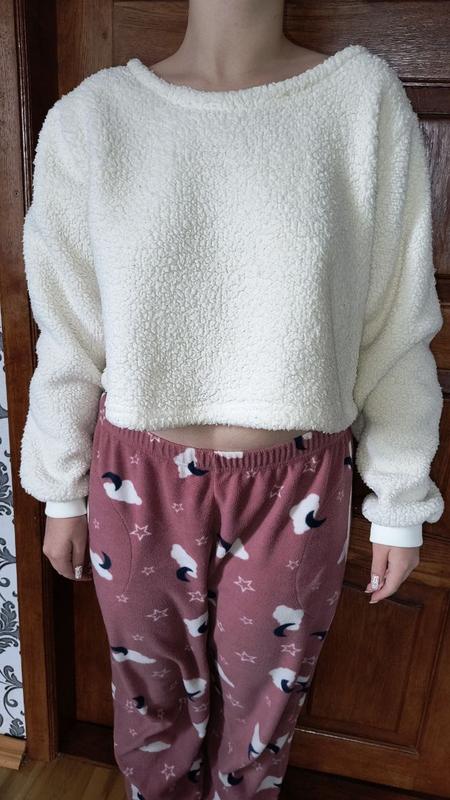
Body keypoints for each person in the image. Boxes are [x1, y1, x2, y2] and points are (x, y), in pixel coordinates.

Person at [19, 1, 444, 798]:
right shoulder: (93, 119)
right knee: (149, 710)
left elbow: (394, 320)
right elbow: (68, 329)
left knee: (263, 720)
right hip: (134, 484)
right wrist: (61, 490)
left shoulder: (360, 103)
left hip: (297, 488)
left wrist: (399, 500)